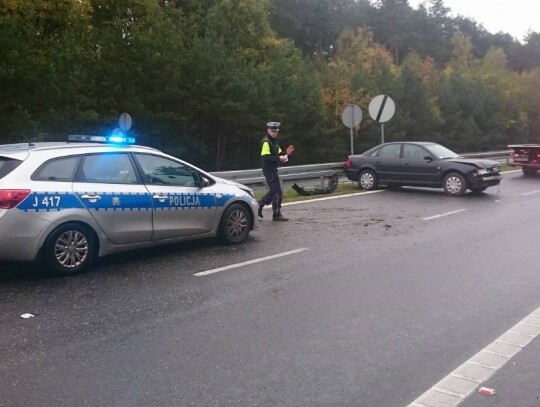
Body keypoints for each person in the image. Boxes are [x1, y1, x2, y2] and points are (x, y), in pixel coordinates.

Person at [258, 121, 295, 221]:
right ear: (268, 130)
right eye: (272, 131)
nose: (274, 133)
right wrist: (279, 159)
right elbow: (266, 157)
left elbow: (280, 155)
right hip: (268, 169)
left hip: (273, 169)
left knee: (274, 191)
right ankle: (276, 214)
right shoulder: (266, 142)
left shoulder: (275, 142)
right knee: (277, 192)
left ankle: (258, 205)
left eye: (276, 131)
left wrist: (287, 154)